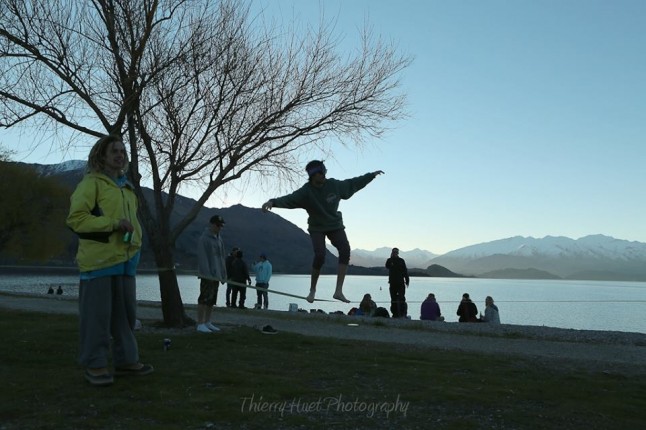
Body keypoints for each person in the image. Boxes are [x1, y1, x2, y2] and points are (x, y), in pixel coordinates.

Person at [66, 134, 153, 386]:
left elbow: (132, 225)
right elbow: (76, 219)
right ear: (101, 155)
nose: (120, 155)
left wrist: (134, 246)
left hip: (126, 264)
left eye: (123, 151)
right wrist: (113, 224)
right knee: (97, 318)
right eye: (114, 151)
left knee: (125, 317)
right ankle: (95, 365)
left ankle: (127, 361)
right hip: (99, 263)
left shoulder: (128, 188)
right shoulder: (90, 183)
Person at [262, 160, 384, 303]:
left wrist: (371, 176)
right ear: (313, 175)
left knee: (345, 249)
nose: (323, 175)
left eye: (324, 171)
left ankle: (338, 291)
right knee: (320, 255)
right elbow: (290, 199)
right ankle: (312, 290)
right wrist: (272, 202)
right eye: (320, 172)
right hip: (317, 227)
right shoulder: (306, 192)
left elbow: (353, 183)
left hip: (335, 225)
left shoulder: (334, 185)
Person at [196, 214, 227, 333]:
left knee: (212, 300)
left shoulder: (219, 239)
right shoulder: (204, 239)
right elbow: (203, 258)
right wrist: (207, 275)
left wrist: (223, 274)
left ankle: (208, 321)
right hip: (207, 275)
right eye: (218, 225)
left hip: (217, 275)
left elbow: (221, 258)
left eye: (221, 226)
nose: (220, 228)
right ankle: (200, 323)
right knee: (204, 298)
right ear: (211, 224)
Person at [385, 248, 409, 318]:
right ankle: (395, 314)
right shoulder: (389, 260)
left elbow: (405, 271)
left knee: (402, 298)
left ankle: (402, 313)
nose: (395, 253)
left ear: (398, 253)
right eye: (394, 252)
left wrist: (407, 280)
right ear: (392, 252)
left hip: (401, 283)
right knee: (393, 299)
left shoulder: (401, 260)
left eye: (396, 252)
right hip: (392, 283)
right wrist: (391, 260)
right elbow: (387, 266)